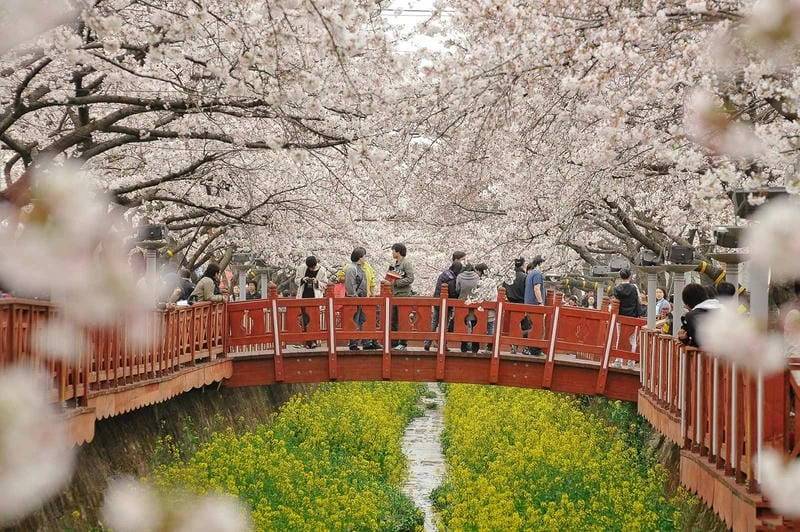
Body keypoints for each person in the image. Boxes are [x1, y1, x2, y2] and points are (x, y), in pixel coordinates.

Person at [345, 247, 381, 351]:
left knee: (363, 320)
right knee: (355, 320)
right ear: (360, 257)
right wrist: (355, 298)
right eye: (364, 256)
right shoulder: (352, 268)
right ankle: (353, 344)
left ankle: (367, 343)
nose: (365, 258)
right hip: (356, 299)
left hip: (363, 299)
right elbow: (350, 286)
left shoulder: (360, 267)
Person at [423, 260, 463, 351]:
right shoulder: (452, 279)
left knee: (434, 322)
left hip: (437, 301)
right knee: (444, 324)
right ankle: (442, 344)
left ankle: (427, 343)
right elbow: (452, 293)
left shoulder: (444, 274)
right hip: (446, 304)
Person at [295, 256, 328, 348]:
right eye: (309, 267)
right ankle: (308, 341)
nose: (310, 269)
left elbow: (325, 285)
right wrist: (302, 280)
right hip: (303, 297)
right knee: (304, 320)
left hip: (315, 298)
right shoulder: (301, 268)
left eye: (312, 267)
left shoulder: (322, 271)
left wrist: (316, 282)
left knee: (313, 320)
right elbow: (296, 280)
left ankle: (313, 341)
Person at [387, 242, 414, 350]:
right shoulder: (394, 264)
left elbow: (410, 278)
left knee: (402, 319)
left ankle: (403, 343)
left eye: (393, 251)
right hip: (395, 294)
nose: (392, 253)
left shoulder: (406, 263)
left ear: (398, 251)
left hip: (403, 295)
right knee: (394, 319)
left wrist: (396, 283)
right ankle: (393, 343)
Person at [678, 283, 721, 347]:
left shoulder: (692, 316)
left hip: (707, 354)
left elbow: (698, 341)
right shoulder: (726, 310)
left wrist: (685, 340)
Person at [474, 263, 498, 355]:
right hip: (491, 306)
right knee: (490, 326)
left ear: (480, 271)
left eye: (477, 271)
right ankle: (490, 346)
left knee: (480, 326)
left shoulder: (481, 281)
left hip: (484, 307)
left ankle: (476, 346)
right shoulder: (492, 281)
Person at [456, 263, 480, 352]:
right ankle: (475, 347)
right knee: (475, 324)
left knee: (463, 324)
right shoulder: (477, 277)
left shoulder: (459, 276)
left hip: (463, 303)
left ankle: (463, 346)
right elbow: (480, 289)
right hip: (475, 303)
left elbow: (457, 289)